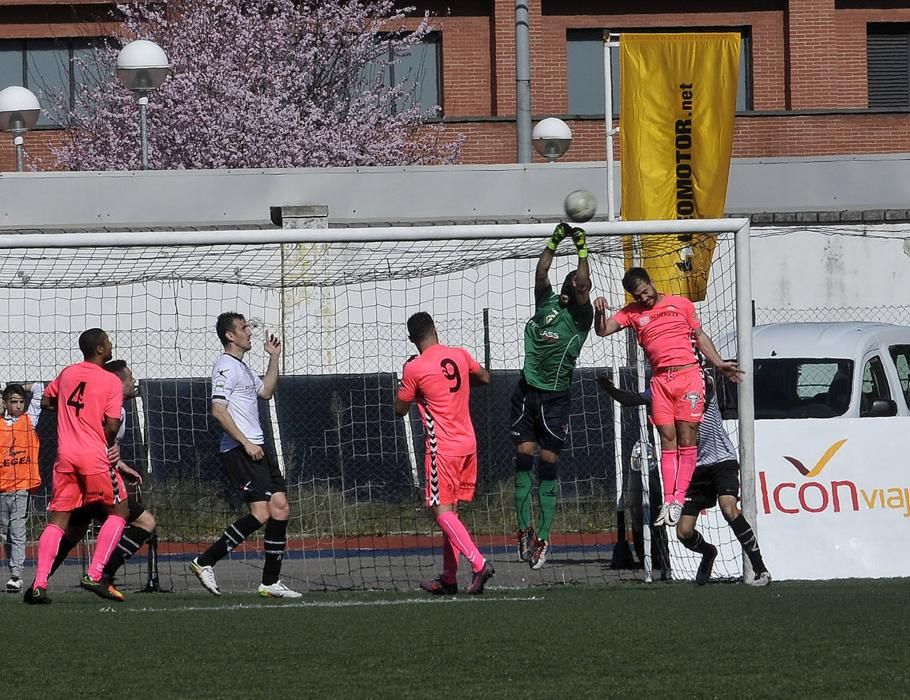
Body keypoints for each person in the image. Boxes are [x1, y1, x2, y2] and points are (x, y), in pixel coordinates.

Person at [594, 267, 743, 528]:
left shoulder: (680, 304)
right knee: (666, 439)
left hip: (688, 377)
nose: (644, 299)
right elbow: (603, 330)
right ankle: (669, 499)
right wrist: (599, 311)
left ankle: (678, 499)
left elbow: (700, 336)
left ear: (651, 284)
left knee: (686, 437)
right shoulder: (632, 312)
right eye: (638, 296)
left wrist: (718, 363)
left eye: (646, 292)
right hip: (661, 380)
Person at [597, 371, 771, 586]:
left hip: (720, 462)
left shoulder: (699, 381)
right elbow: (630, 399)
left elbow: (708, 382)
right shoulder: (662, 390)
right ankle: (708, 553)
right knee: (683, 532)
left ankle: (760, 569)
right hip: (693, 469)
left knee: (728, 507)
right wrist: (609, 389)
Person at [189, 312, 300, 598]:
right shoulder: (225, 367)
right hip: (241, 449)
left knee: (281, 508)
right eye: (243, 328)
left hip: (257, 447)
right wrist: (245, 443)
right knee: (261, 512)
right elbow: (218, 410)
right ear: (230, 335)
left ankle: (269, 582)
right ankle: (205, 561)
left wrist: (274, 357)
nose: (249, 332)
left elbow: (266, 392)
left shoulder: (244, 368)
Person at [512, 222, 593, 570]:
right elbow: (542, 269)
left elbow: (585, 282)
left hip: (555, 399)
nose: (574, 284)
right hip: (525, 392)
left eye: (577, 283)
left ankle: (544, 535)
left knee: (547, 462)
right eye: (572, 281)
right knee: (522, 457)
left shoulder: (580, 317)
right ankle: (522, 530)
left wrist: (582, 247)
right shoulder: (544, 301)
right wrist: (556, 239)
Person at [26, 328, 128, 604]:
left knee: (58, 521)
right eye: (108, 343)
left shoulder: (68, 372)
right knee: (120, 511)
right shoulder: (110, 381)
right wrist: (104, 443)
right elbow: (112, 424)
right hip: (93, 456)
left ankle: (39, 583)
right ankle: (95, 574)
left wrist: (70, 413)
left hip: (65, 456)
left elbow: (47, 401)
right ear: (99, 349)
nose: (111, 346)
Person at [394, 312, 494, 595]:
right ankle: (449, 578)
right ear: (435, 330)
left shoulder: (415, 368)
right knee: (452, 514)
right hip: (468, 444)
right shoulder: (459, 355)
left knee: (440, 512)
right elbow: (484, 377)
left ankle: (478, 562)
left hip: (443, 450)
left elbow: (399, 409)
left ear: (412, 340)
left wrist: (410, 385)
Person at [43, 360, 156, 601]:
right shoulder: (106, 398)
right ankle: (101, 574)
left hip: (82, 469)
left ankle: (39, 582)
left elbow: (105, 442)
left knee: (73, 531)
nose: (134, 382)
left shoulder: (108, 400)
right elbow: (101, 437)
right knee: (140, 520)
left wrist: (120, 463)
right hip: (94, 473)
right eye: (129, 378)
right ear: (117, 380)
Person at [1, 382, 43, 593]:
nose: (18, 405)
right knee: (6, 532)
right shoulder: (0, 426)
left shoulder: (29, 420)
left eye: (20, 402)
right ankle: (12, 568)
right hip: (2, 489)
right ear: (5, 403)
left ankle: (16, 574)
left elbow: (39, 390)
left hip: (21, 487)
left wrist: (18, 386)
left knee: (17, 530)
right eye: (13, 402)